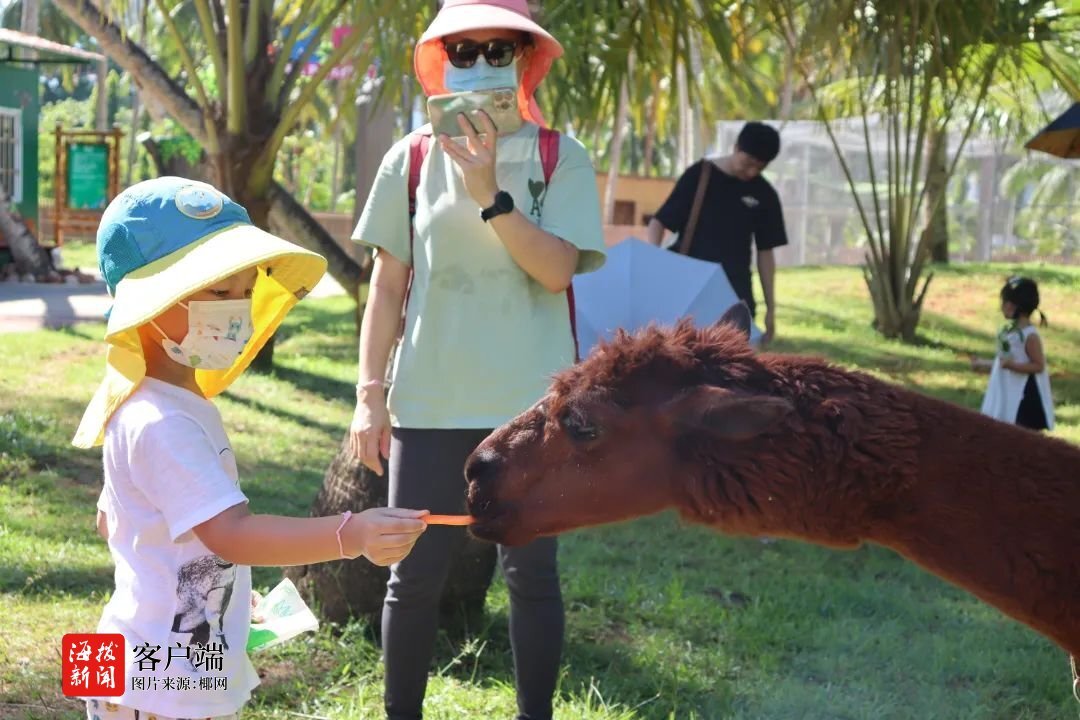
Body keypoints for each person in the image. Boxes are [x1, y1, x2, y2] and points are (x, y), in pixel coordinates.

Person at [74, 177, 430, 720]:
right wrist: (350, 534)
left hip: (160, 666)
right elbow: (232, 535)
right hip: (161, 685)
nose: (238, 308)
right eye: (219, 293)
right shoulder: (162, 420)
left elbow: (117, 522)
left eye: (244, 289)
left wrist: (226, 597)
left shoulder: (158, 401)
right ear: (148, 303)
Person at [348, 1, 606, 718]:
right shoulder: (411, 158)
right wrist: (371, 394)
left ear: (526, 59)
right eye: (463, 49)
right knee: (413, 578)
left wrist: (490, 189)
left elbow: (556, 272)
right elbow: (388, 285)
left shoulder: (561, 156)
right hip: (429, 400)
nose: (481, 62)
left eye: (499, 47)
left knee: (532, 577)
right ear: (442, 60)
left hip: (531, 408)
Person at [646, 121, 787, 345]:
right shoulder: (700, 175)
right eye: (748, 163)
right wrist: (653, 263)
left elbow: (765, 252)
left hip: (735, 292)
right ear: (736, 147)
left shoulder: (765, 194)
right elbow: (658, 223)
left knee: (735, 363)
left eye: (759, 167)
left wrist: (771, 308)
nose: (751, 172)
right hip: (687, 289)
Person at [972, 276, 1055, 431]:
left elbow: (1038, 366)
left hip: (1025, 397)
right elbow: (1003, 361)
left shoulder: (1030, 336)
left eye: (1003, 302)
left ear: (1011, 306)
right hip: (1009, 392)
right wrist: (982, 363)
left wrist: (1012, 366)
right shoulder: (1011, 333)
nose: (1001, 307)